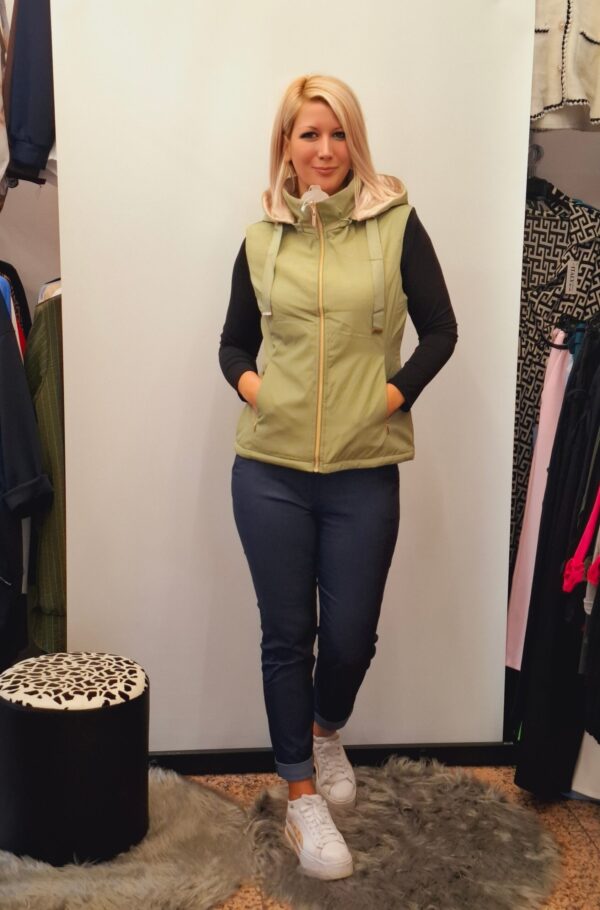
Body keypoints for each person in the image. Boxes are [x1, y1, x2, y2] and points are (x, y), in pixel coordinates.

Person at [219, 74, 457, 880]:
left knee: (352, 634)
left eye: (337, 133)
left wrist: (387, 398)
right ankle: (300, 799)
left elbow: (442, 331)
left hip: (363, 469)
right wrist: (260, 392)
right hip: (270, 471)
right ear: (286, 145)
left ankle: (326, 732)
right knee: (286, 635)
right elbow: (233, 343)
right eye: (308, 134)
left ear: (354, 141)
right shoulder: (261, 238)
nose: (324, 150)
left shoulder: (395, 224)